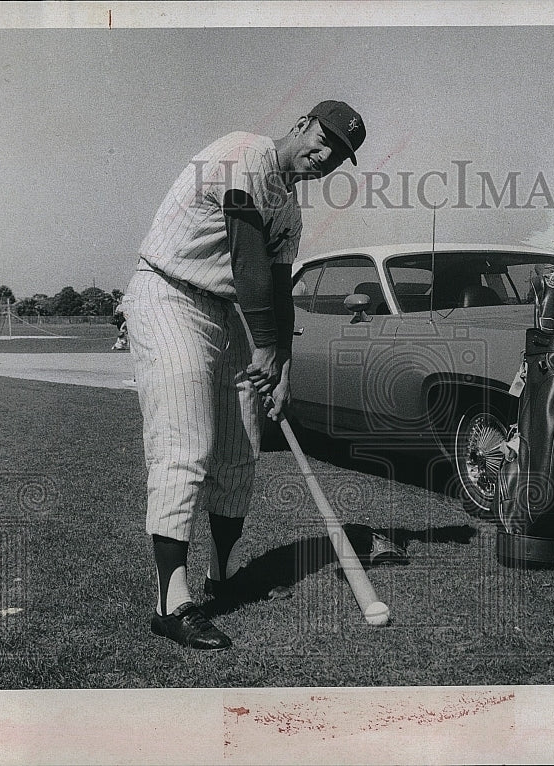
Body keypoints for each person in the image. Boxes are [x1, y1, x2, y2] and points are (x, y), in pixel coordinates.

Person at [122, 100, 366, 650]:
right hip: (169, 294)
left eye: (338, 156)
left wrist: (281, 365)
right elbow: (247, 259)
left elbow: (279, 289)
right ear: (301, 124)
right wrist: (267, 345)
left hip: (227, 313)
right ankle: (171, 602)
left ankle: (222, 576)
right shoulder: (244, 153)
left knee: (240, 449)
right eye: (323, 140)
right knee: (188, 443)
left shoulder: (291, 211)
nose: (324, 157)